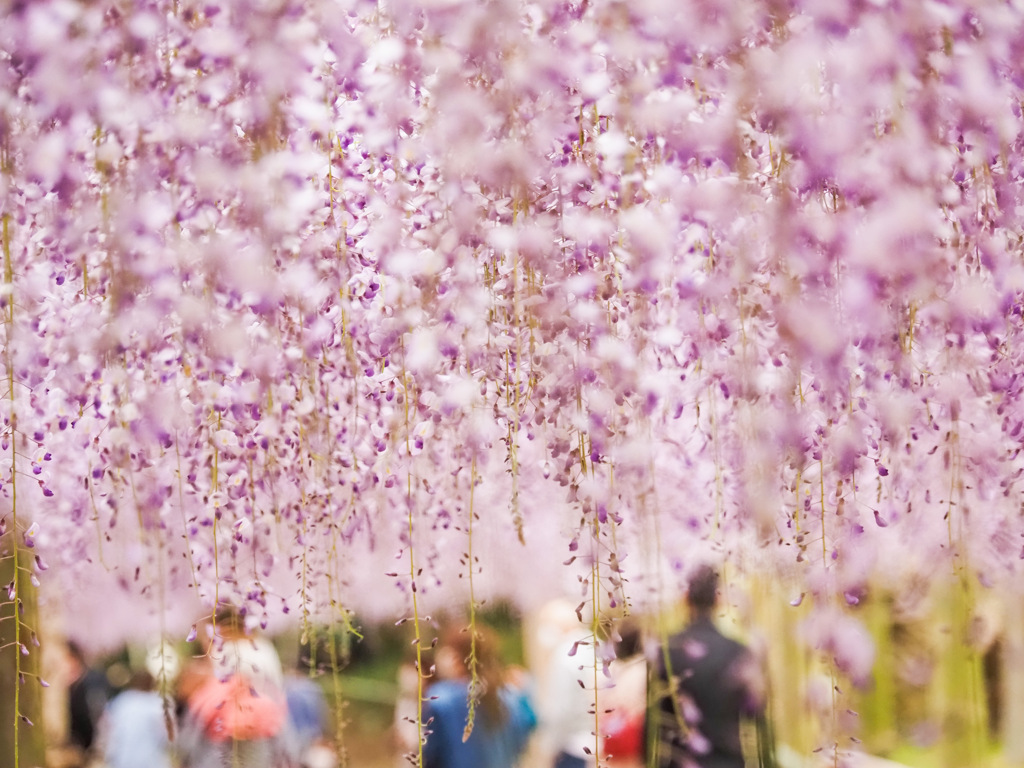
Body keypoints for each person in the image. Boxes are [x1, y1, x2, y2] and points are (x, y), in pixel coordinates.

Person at [650, 565, 765, 768]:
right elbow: (755, 710)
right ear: (718, 600)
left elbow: (655, 717)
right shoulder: (739, 651)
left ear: (685, 598)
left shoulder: (666, 650)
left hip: (679, 761)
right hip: (728, 761)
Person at [177, 604, 297, 768]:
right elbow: (277, 693)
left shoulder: (222, 650)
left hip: (223, 732)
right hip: (262, 728)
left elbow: (213, 693)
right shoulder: (264, 648)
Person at [422, 626, 536, 768]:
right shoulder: (508, 695)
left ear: (455, 658)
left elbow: (431, 754)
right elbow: (527, 727)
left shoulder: (441, 699)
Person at [100, 669, 175, 768]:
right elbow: (169, 737)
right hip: (152, 761)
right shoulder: (159, 703)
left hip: (122, 760)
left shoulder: (121, 702)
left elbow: (107, 731)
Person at [64, 639, 113, 766]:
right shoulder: (68, 686)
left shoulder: (90, 683)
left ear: (73, 659)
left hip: (86, 750)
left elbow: (93, 716)